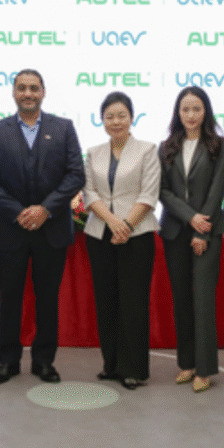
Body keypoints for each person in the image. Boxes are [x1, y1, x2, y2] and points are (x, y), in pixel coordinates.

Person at [0, 70, 85, 385]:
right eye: (22, 88)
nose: (28, 93)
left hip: (51, 230)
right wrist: (20, 212)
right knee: (9, 299)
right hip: (11, 230)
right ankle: (8, 362)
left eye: (33, 88)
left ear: (43, 92)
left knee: (47, 299)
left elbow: (75, 175)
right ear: (13, 92)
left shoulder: (63, 129)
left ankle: (44, 362)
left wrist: (45, 210)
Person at [82, 91, 162, 390]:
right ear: (102, 120)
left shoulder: (147, 150)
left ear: (131, 118)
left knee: (133, 302)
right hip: (100, 234)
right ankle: (111, 364)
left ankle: (134, 369)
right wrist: (113, 222)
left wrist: (126, 224)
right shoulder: (93, 152)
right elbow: (90, 194)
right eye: (109, 116)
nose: (116, 121)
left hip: (137, 235)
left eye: (122, 115)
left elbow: (149, 194)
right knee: (107, 301)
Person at [157, 87, 224, 393]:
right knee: (181, 299)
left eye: (196, 109)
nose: (190, 115)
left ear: (206, 112)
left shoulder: (218, 145)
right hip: (175, 232)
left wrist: (201, 229)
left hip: (208, 231)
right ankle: (186, 363)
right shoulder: (166, 147)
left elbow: (217, 191)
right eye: (185, 109)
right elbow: (162, 191)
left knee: (203, 300)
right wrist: (190, 218)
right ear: (178, 113)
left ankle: (205, 368)